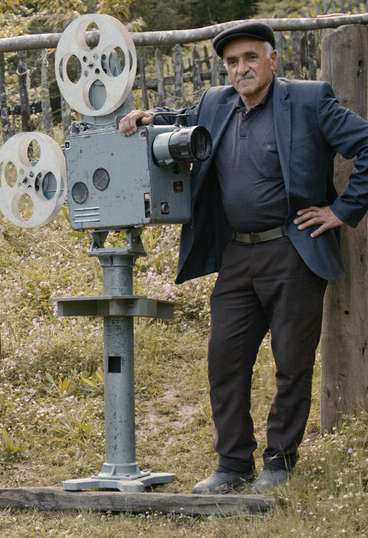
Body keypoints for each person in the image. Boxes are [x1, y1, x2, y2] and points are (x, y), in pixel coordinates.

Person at [119, 21, 368, 494]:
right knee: (224, 360)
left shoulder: (310, 101)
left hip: (293, 250)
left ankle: (280, 461)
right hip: (237, 254)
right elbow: (185, 118)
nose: (241, 69)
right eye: (232, 62)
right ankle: (233, 464)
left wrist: (341, 210)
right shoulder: (217, 103)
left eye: (250, 58)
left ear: (273, 60)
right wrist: (149, 117)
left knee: (292, 362)